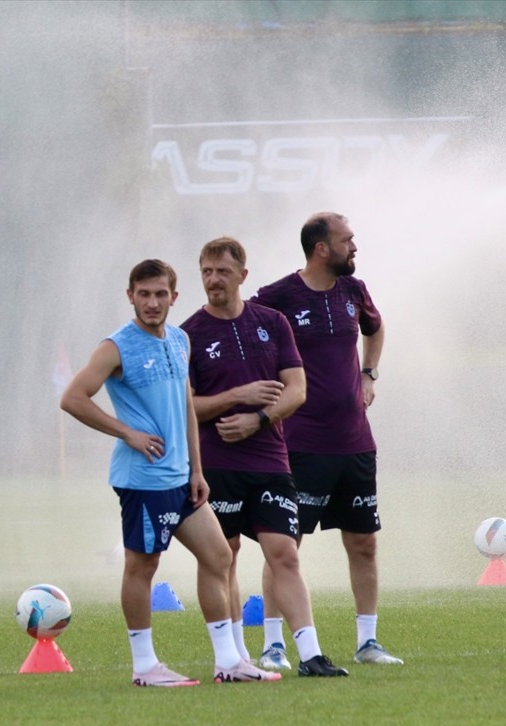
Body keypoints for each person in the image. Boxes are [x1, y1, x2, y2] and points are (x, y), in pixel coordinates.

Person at [60, 259, 280, 686]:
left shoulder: (180, 340)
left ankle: (228, 662)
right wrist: (128, 433)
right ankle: (144, 667)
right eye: (144, 294)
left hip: (181, 480)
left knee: (218, 556)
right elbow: (73, 397)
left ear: (174, 298)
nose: (152, 303)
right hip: (142, 480)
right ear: (130, 297)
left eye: (161, 294)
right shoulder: (116, 347)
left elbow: (185, 410)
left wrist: (197, 470)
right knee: (143, 567)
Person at [181, 237, 348, 677]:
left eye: (221, 271)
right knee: (225, 555)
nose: (213, 280)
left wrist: (258, 418)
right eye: (206, 272)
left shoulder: (272, 323)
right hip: (216, 463)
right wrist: (235, 397)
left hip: (271, 461)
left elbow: (297, 389)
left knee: (285, 554)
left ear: (242, 275)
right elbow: (185, 408)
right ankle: (234, 657)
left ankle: (310, 654)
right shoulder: (188, 334)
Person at [251, 213, 401, 665]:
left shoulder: (354, 291)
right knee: (284, 546)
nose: (354, 246)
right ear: (321, 248)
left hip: (355, 443)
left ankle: (367, 642)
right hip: (299, 444)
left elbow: (375, 329)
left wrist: (368, 373)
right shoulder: (277, 298)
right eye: (347, 240)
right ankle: (274, 644)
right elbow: (249, 339)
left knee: (364, 542)